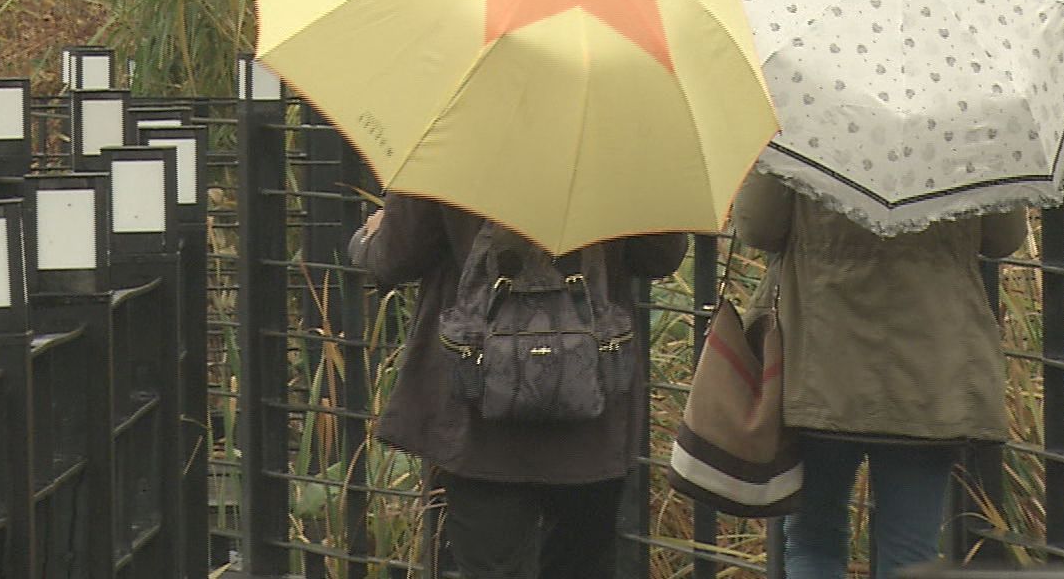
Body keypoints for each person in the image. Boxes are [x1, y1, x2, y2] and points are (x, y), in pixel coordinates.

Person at [350, 194, 687, 579]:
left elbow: (398, 256)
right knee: (581, 561)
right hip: (589, 403)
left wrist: (369, 238)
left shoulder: (447, 157)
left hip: (477, 404)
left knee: (489, 564)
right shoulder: (621, 158)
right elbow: (659, 256)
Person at [729, 172, 1027, 579]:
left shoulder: (801, 135)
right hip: (931, 363)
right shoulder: (974, 136)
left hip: (820, 359)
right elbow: (1003, 237)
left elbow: (758, 226)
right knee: (911, 552)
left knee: (811, 539)